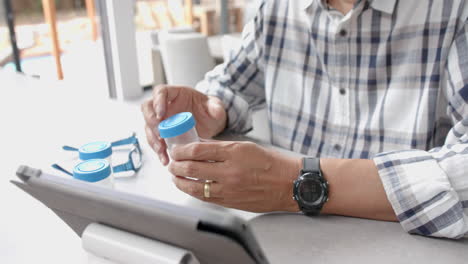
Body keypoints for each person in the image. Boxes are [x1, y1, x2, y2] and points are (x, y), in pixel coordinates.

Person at [141, 0, 468, 239]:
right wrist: (212, 108)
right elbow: (231, 84)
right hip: (285, 240)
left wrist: (294, 183)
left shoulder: (455, 12)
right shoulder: (276, 9)